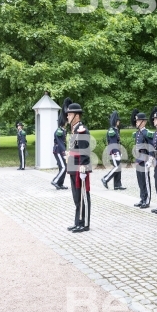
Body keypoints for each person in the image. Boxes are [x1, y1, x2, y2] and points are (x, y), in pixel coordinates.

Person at [63, 98, 92, 233]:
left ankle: (84, 223)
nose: (67, 116)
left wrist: (83, 168)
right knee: (76, 197)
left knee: (83, 195)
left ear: (77, 115)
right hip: (74, 167)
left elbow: (85, 151)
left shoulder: (82, 130)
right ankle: (77, 221)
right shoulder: (74, 130)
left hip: (80, 168)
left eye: (69, 114)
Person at [131, 110, 153, 209]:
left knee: (145, 180)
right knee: (140, 180)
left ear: (143, 122)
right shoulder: (138, 133)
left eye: (138, 121)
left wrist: (150, 159)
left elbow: (151, 147)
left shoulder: (146, 133)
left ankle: (147, 200)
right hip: (139, 159)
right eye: (136, 121)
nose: (136, 122)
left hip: (145, 159)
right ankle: (142, 198)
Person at [102, 111, 126, 190]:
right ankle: (105, 179)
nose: (119, 122)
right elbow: (113, 143)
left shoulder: (115, 130)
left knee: (118, 167)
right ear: (115, 121)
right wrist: (116, 153)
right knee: (117, 167)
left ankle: (117, 185)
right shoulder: (112, 130)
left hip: (117, 151)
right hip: (114, 151)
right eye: (118, 120)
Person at [51, 109, 68, 190]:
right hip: (58, 150)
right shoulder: (59, 131)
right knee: (64, 167)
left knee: (64, 167)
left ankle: (60, 183)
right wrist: (64, 152)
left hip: (60, 150)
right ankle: (55, 181)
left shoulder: (63, 130)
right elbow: (60, 142)